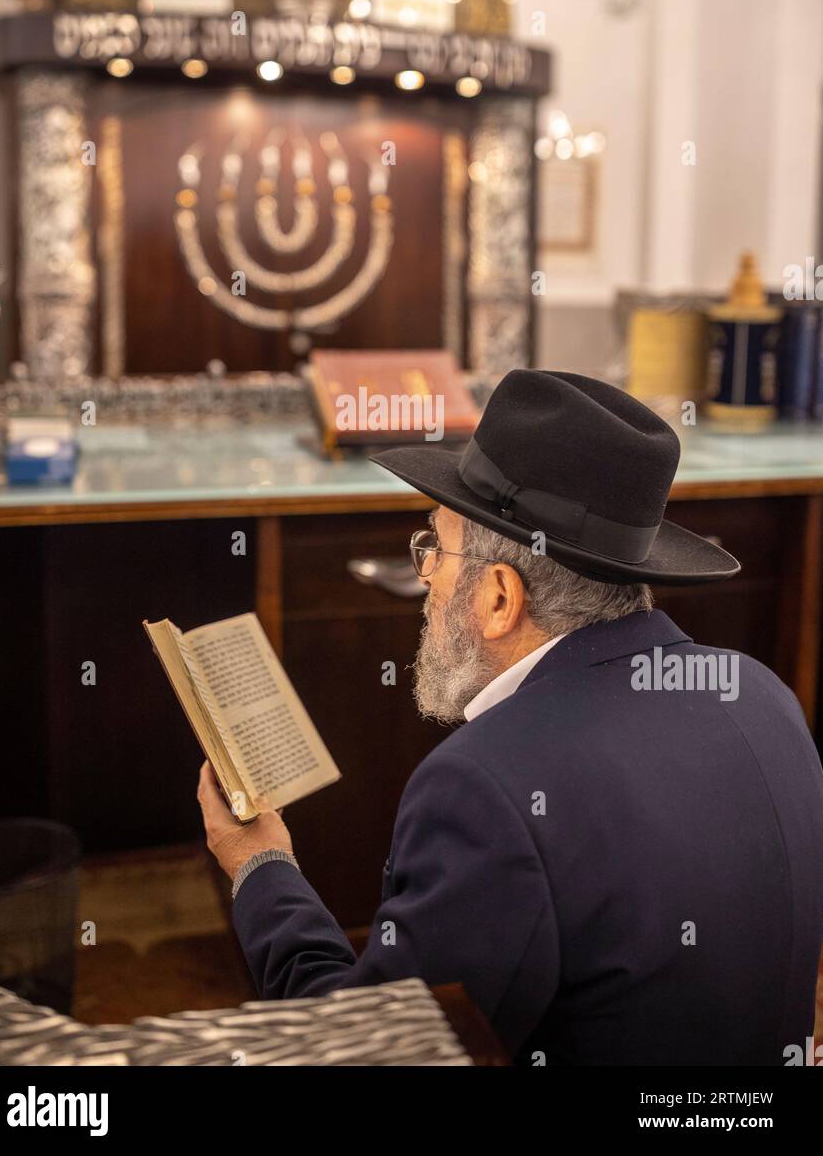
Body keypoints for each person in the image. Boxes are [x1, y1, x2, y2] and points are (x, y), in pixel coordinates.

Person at [198, 370, 823, 1065]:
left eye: (434, 545)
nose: (427, 576)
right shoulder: (765, 698)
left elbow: (366, 1055)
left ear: (500, 597)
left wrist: (260, 864)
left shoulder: (486, 790)